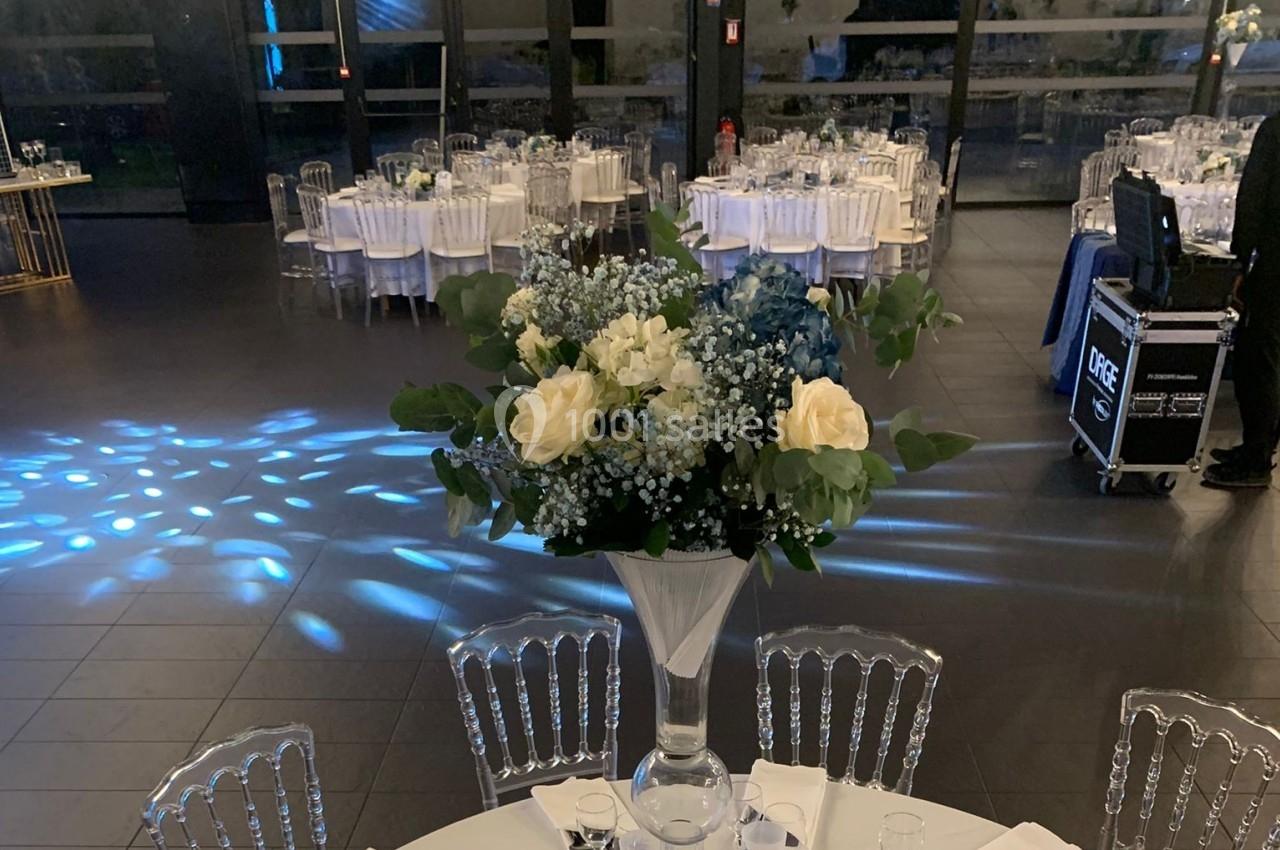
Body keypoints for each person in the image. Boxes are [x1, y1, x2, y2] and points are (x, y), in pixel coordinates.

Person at [1204, 112, 1280, 488]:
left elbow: (1253, 196)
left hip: (1275, 263)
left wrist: (1239, 260)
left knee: (1258, 358)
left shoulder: (1275, 129)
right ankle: (1262, 446)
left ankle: (1255, 459)